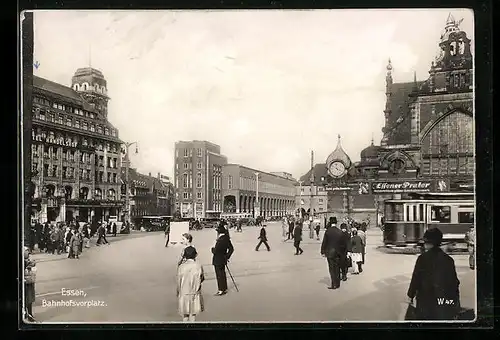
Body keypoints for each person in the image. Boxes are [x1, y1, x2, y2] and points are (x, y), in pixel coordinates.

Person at [407, 228, 461, 320]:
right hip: (442, 302)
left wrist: (410, 295)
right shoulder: (448, 260)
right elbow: (454, 282)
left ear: (428, 243)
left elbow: (416, 279)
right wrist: (455, 302)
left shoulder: (422, 259)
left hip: (425, 301)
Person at [177, 246, 205, 322]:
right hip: (194, 293)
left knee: (185, 316)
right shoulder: (198, 266)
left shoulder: (181, 267)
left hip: (184, 293)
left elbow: (179, 281)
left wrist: (178, 292)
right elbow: (202, 278)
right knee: (193, 315)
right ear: (195, 255)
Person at [321, 216, 349, 289]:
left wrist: (322, 251)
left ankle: (333, 284)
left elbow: (325, 242)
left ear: (330, 222)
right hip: (338, 252)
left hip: (329, 252)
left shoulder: (328, 231)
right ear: (336, 223)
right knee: (337, 267)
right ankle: (338, 283)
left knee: (332, 268)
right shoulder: (339, 231)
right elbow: (343, 244)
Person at [211, 225, 234, 296]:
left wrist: (212, 249)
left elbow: (215, 251)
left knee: (219, 275)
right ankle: (224, 288)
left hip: (217, 260)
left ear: (219, 232)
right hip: (223, 259)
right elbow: (231, 249)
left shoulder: (220, 240)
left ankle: (221, 290)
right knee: (223, 274)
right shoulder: (227, 238)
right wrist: (227, 256)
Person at [24, 246, 36, 321]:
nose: (28, 253)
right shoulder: (22, 261)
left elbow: (33, 264)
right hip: (25, 283)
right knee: (26, 300)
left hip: (30, 282)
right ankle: (27, 314)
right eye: (27, 252)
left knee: (30, 300)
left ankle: (29, 314)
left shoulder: (27, 260)